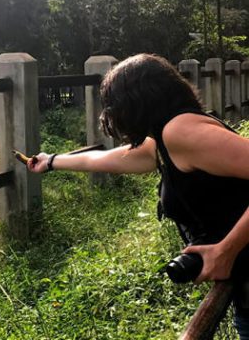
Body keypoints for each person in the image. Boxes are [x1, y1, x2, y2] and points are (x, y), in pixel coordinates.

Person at [27, 54, 249, 337]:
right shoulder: (165, 139)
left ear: (137, 100)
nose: (111, 115)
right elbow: (106, 159)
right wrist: (53, 161)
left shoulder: (181, 132)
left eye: (114, 104)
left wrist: (226, 250)